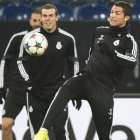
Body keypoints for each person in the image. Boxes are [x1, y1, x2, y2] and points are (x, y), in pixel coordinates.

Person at [33, 1, 138, 140]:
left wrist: (113, 53)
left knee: (104, 136)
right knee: (66, 88)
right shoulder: (99, 31)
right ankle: (43, 132)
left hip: (104, 88)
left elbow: (132, 63)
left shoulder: (128, 41)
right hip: (87, 78)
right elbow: (91, 55)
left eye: (117, 13)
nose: (112, 15)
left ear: (126, 18)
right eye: (112, 12)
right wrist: (81, 76)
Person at [17, 4, 80, 140]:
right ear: (40, 18)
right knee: (38, 136)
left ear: (57, 17)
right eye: (44, 16)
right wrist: (28, 81)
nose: (47, 19)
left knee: (61, 134)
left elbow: (73, 65)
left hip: (58, 93)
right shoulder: (30, 38)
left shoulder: (67, 39)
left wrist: (74, 89)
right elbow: (20, 62)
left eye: (50, 16)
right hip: (35, 93)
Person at [0, 10, 41, 140]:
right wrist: (1, 85)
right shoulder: (17, 37)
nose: (37, 24)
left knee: (38, 131)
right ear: (30, 21)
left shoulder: (49, 40)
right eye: (34, 21)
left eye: (40, 21)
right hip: (16, 89)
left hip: (37, 92)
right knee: (6, 125)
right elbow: (5, 62)